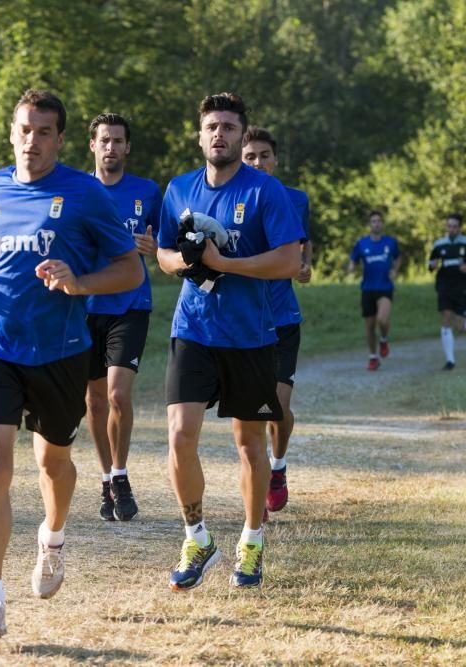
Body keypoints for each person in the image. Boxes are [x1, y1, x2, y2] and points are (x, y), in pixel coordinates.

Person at [0, 89, 142, 638]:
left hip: (60, 351)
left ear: (60, 139)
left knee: (53, 464)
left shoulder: (84, 194)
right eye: (23, 129)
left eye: (43, 132)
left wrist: (79, 283)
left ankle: (53, 538)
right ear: (11, 132)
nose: (31, 141)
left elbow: (129, 271)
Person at [157, 93, 302, 590]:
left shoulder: (266, 192)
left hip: (251, 335)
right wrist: (187, 263)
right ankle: (197, 536)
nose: (219, 134)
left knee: (248, 444)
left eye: (229, 127)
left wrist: (225, 265)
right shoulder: (178, 190)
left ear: (243, 136)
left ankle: (252, 539)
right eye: (211, 126)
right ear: (199, 135)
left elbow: (288, 261)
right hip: (192, 329)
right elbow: (162, 253)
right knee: (179, 434)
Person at [84, 113, 163, 522]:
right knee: (95, 400)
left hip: (131, 305)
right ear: (93, 146)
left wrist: (154, 246)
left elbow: (166, 243)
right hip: (84, 306)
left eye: (118, 140)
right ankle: (105, 478)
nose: (111, 147)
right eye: (105, 140)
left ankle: (121, 474)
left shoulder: (147, 191)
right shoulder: (76, 190)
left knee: (117, 394)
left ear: (127, 147)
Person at [240, 126, 312, 518]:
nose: (257, 163)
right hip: (246, 320)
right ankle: (257, 483)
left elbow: (303, 246)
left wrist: (305, 267)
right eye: (250, 156)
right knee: (253, 414)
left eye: (264, 155)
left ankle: (277, 468)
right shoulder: (233, 198)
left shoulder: (295, 200)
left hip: (283, 318)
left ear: (275, 159)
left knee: (278, 408)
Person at [428, 212, 466, 370]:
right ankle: (450, 360)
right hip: (444, 285)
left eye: (454, 226)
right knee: (446, 317)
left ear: (460, 227)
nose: (451, 229)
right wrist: (432, 266)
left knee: (460, 327)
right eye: (449, 226)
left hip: (463, 287)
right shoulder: (439, 244)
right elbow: (431, 263)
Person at [348, 211, 401, 371]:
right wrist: (351, 267)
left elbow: (398, 257)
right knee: (370, 326)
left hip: (385, 288)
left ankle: (383, 339)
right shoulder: (362, 244)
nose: (376, 224)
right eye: (373, 221)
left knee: (382, 320)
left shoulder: (390, 242)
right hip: (368, 289)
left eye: (379, 221)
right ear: (369, 225)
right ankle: (373, 357)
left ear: (382, 224)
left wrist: (395, 271)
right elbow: (353, 259)